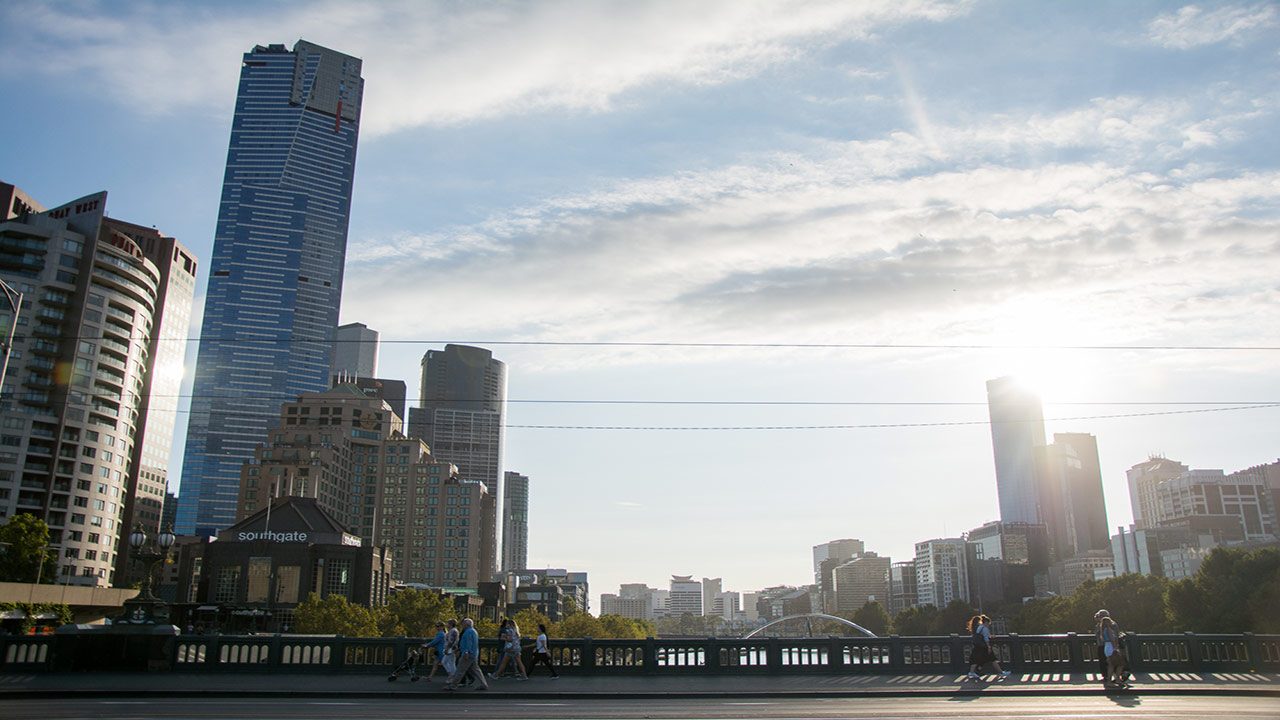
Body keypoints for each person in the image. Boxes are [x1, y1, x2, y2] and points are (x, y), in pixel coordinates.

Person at [445, 618, 488, 691]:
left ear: (466, 624)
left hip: (467, 654)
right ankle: (484, 684)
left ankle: (453, 685)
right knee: (477, 670)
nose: (462, 625)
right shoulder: (474, 631)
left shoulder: (467, 632)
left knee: (460, 670)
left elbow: (468, 643)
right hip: (473, 654)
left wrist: (466, 652)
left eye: (463, 624)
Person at [965, 614, 1011, 681]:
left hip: (978, 646)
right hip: (984, 647)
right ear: (986, 622)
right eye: (989, 623)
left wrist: (990, 636)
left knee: (976, 659)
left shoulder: (980, 627)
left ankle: (973, 672)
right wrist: (988, 647)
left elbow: (982, 635)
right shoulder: (985, 628)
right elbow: (986, 638)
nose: (989, 625)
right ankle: (1001, 672)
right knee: (992, 659)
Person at [1093, 609, 1112, 685]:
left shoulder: (1107, 625)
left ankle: (1108, 677)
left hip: (1105, 645)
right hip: (1104, 645)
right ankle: (1107, 676)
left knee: (1106, 661)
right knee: (1105, 661)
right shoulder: (1100, 625)